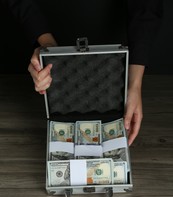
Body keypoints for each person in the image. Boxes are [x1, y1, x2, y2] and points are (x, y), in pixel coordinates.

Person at [1, 0, 163, 146]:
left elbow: (146, 6)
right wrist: (47, 50)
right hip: (46, 33)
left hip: (117, 58)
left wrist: (134, 85)